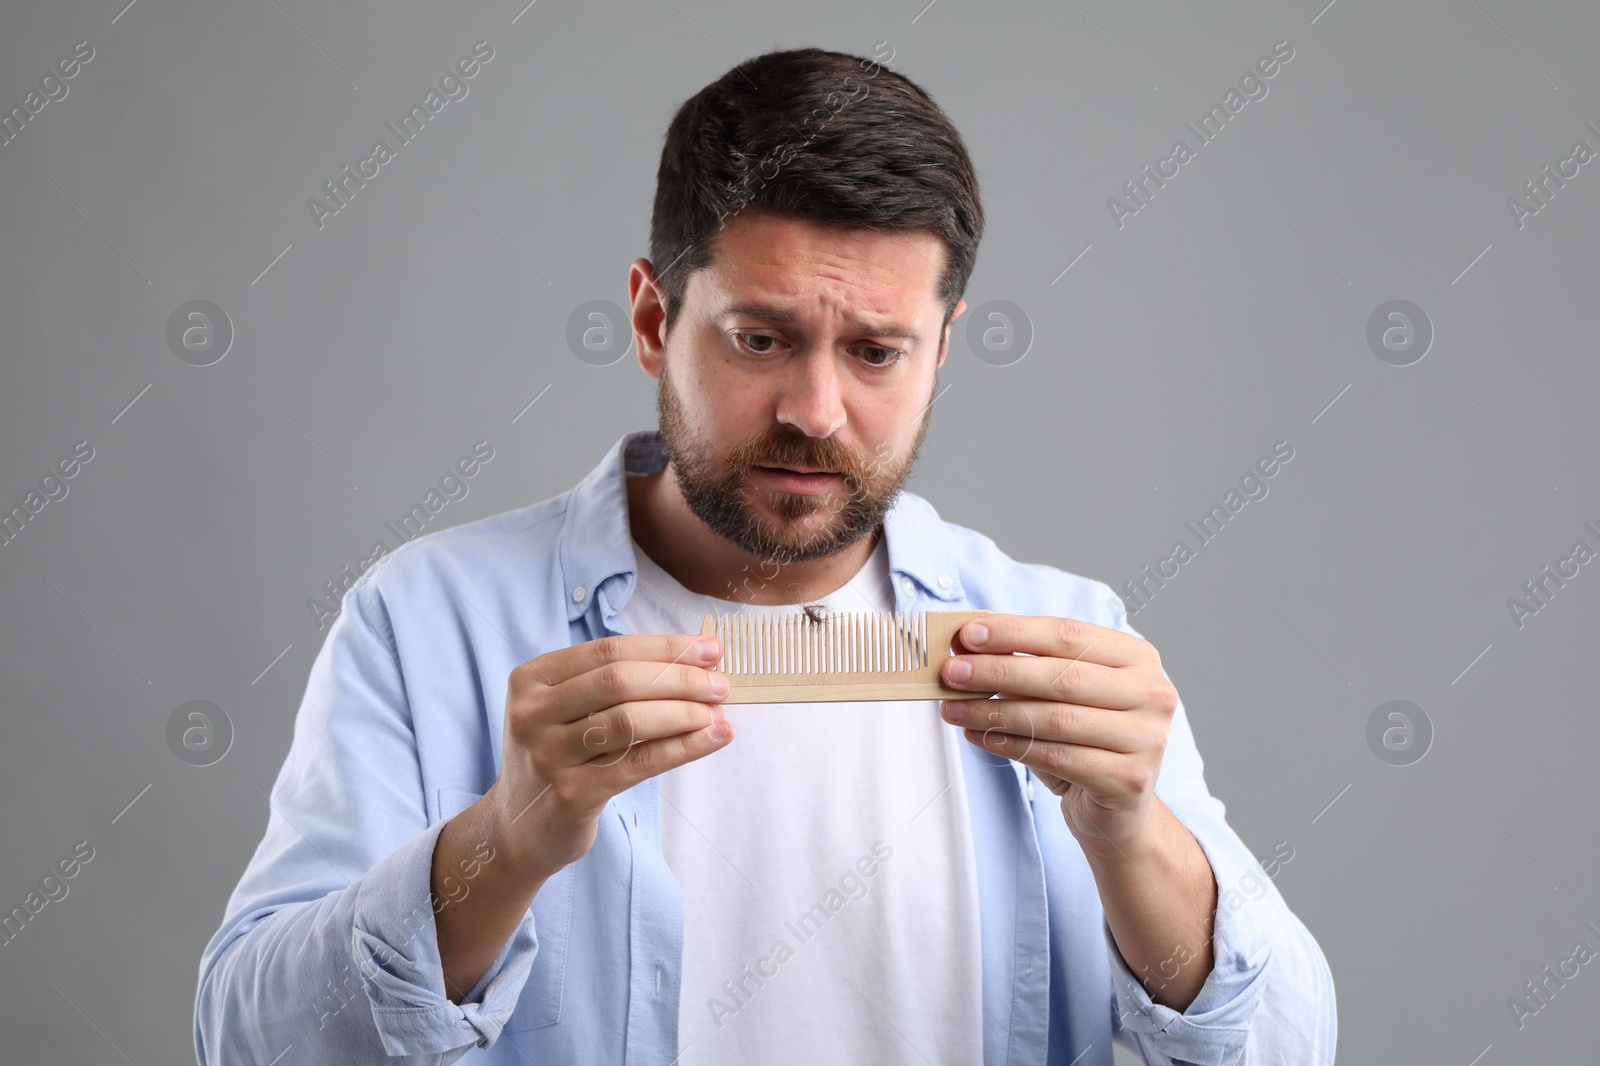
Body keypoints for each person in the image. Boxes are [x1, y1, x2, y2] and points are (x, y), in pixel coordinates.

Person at [195, 46, 1335, 1065]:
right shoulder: (428, 621)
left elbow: (1291, 1049)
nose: (816, 409)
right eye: (760, 338)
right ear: (652, 319)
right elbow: (248, 1043)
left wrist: (1133, 834)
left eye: (878, 351)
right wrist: (500, 845)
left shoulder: (1067, 637)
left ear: (943, 350)